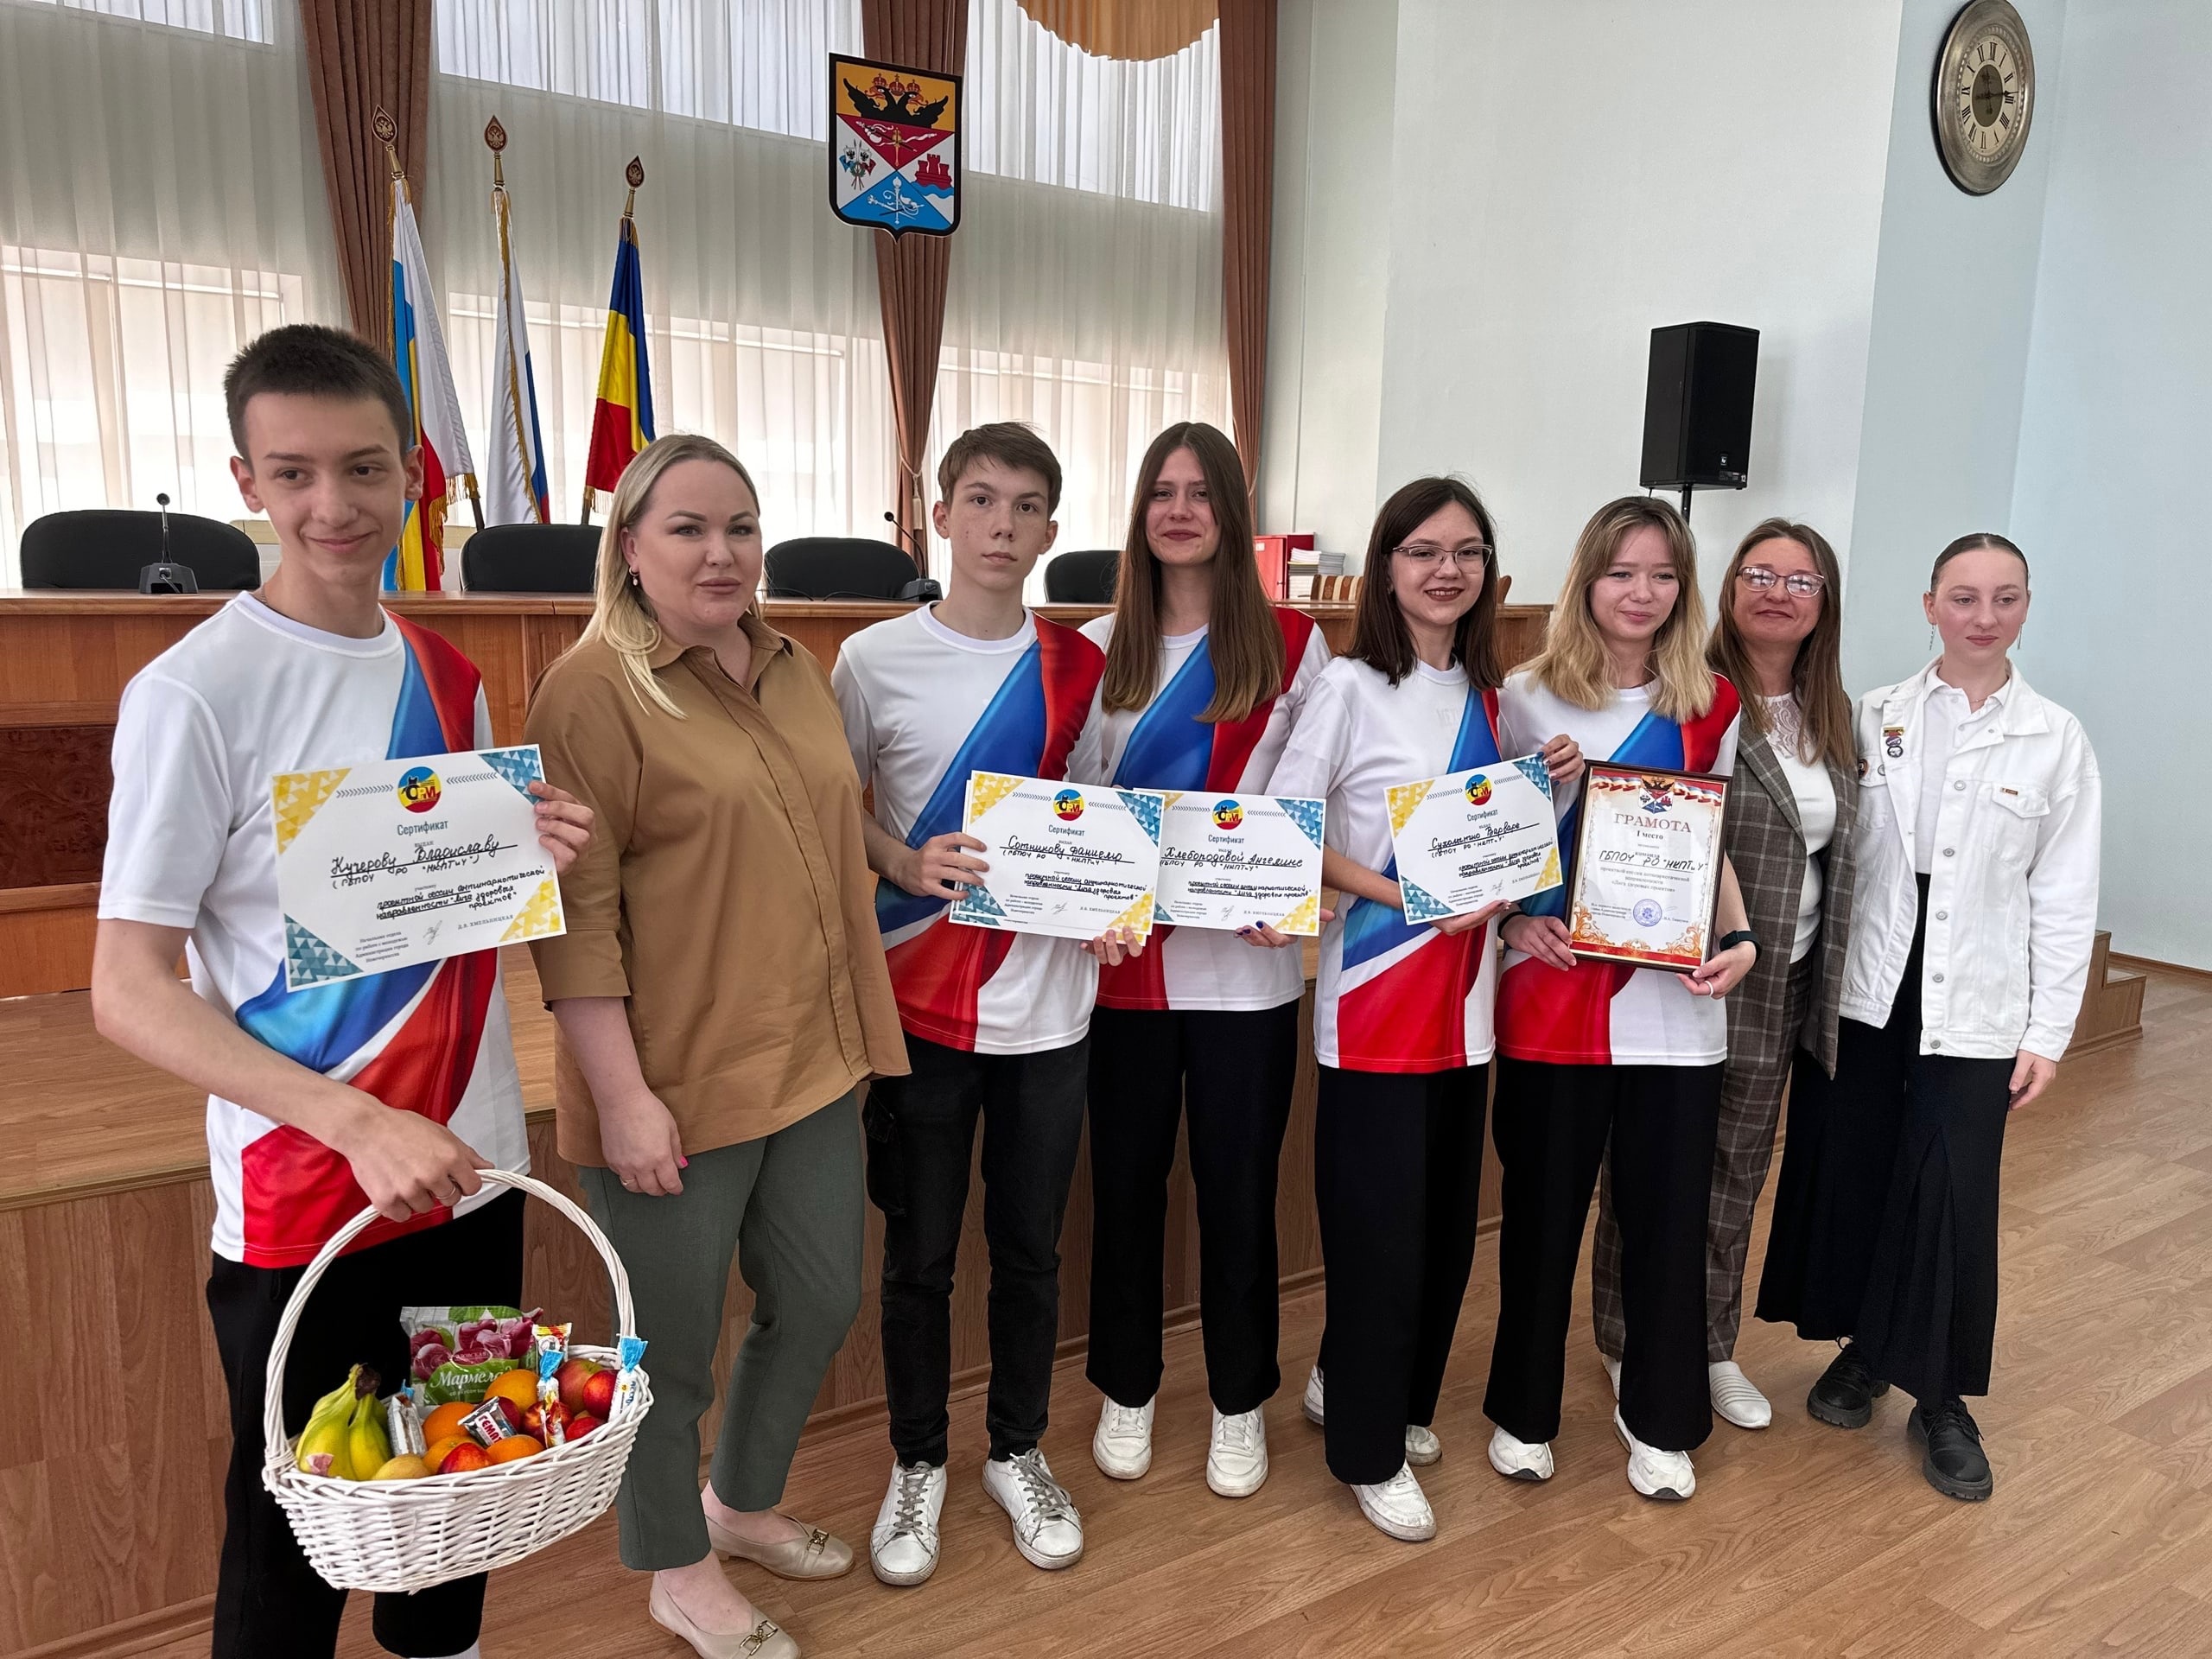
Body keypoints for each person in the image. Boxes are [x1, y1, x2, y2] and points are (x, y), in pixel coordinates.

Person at [90, 324, 594, 1659]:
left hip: (471, 1162)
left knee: (461, 1487)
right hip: (311, 1186)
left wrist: (519, 849)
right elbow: (127, 990)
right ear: (245, 481)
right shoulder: (192, 694)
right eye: (294, 472)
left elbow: (446, 909)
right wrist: (354, 1121)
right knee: (294, 1544)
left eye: (365, 468)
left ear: (412, 474)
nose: (334, 504)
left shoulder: (448, 673)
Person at [527, 434, 907, 1659]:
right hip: (672, 1081)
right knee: (671, 1352)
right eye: (686, 528)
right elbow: (574, 919)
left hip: (812, 1055)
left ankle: (736, 1505)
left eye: (740, 526)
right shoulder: (590, 691)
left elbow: (828, 821)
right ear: (630, 548)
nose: (720, 552)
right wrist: (622, 1098)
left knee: (821, 1296)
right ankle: (675, 1569)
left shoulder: (797, 666)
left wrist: (900, 863)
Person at [833, 422, 1139, 1586]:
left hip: (1050, 1011)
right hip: (918, 1003)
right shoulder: (871, 660)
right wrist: (901, 861)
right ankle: (917, 1460)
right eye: (979, 499)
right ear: (939, 516)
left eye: (1024, 507)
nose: (1000, 524)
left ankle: (1017, 1449)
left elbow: (1098, 819)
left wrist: (1111, 905)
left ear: (1051, 531)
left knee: (1028, 1250)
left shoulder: (1080, 668)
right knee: (918, 1257)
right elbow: (838, 811)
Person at [1267, 476, 1580, 1541]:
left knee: (1445, 1233)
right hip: (1374, 1001)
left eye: (1467, 552)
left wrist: (1556, 782)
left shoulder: (1496, 702)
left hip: (1469, 1010)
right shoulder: (1348, 687)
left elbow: (1503, 850)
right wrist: (1402, 895)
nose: (1447, 570)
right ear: (1386, 566)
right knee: (1380, 1239)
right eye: (1423, 551)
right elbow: (1288, 827)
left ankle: (1385, 1400)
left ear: (1488, 570)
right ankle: (1366, 1451)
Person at [1758, 533, 2099, 1502]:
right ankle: (1866, 1352)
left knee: (1951, 1185)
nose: (1982, 616)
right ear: (1928, 605)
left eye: (2004, 598)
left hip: (1977, 995)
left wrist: (2047, 1033)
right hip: (1869, 984)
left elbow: (2065, 894)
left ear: (2025, 607)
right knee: (1863, 1169)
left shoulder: (2054, 738)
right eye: (1963, 596)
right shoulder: (1872, 715)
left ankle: (1941, 1397)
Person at [1484, 494, 1758, 1503]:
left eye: (1662, 575)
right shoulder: (1521, 697)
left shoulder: (1712, 702)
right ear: (1585, 581)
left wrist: (1738, 939)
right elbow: (1491, 848)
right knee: (1540, 1223)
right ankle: (1522, 1411)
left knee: (1665, 1226)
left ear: (1683, 589)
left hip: (1674, 1014)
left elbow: (1709, 842)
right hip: (1552, 999)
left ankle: (1660, 1418)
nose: (1641, 593)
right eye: (1620, 572)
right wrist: (1511, 928)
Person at [1078, 421, 1331, 1500]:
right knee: (1125, 1192)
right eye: (1161, 492)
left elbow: (1308, 798)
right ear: (1139, 512)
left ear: (1231, 510)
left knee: (1238, 1193)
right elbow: (1076, 803)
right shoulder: (1094, 645)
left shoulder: (1292, 644)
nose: (1179, 511)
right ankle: (1126, 1386)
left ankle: (1239, 1399)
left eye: (1200, 492)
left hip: (1245, 977)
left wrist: (1288, 890)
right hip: (1125, 974)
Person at [1587, 519, 1858, 1431]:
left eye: (1801, 581)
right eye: (1759, 574)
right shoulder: (1685, 695)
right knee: (1651, 1173)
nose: (1778, 593)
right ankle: (1626, 1340)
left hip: (1784, 976)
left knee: (1738, 1171)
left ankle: (1709, 1344)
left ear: (1825, 603)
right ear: (1727, 587)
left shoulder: (1835, 716)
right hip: (1683, 970)